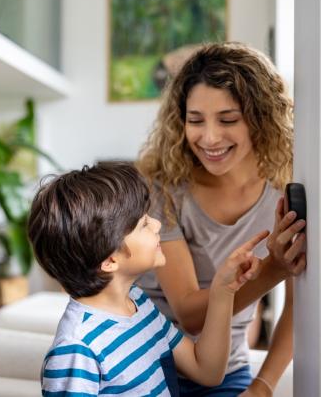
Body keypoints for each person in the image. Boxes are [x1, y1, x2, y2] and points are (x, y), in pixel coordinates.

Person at [137, 42, 306, 396]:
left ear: (260, 119)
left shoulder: (287, 190)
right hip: (146, 366)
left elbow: (299, 305)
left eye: (228, 119)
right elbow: (190, 314)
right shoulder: (165, 188)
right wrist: (275, 269)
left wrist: (263, 386)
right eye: (195, 120)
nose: (209, 138)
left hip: (227, 371)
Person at [28, 161, 268, 396]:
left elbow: (207, 372)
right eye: (143, 224)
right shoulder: (76, 350)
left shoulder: (137, 303)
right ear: (110, 260)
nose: (157, 224)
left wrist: (223, 291)